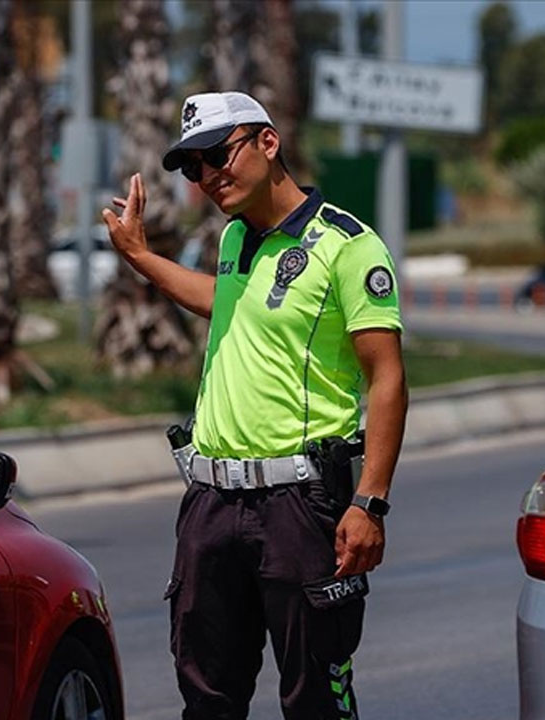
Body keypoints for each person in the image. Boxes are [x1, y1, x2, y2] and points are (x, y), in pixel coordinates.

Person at [101, 91, 407, 720]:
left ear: (268, 143)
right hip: (211, 503)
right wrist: (138, 257)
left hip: (300, 505)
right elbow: (226, 301)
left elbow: (387, 379)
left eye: (218, 155)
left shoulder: (348, 246)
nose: (208, 177)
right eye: (193, 168)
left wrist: (369, 501)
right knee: (207, 697)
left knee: (315, 699)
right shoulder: (237, 237)